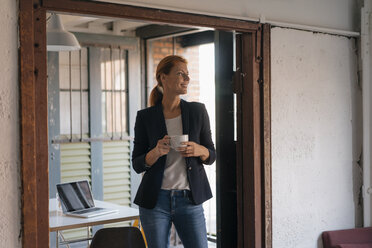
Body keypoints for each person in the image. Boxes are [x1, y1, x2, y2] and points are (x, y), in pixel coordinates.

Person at [132, 55, 216, 248]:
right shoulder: (145, 117)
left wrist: (198, 149)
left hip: (189, 200)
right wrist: (156, 152)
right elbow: (137, 164)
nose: (186, 79)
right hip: (155, 201)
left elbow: (211, 154)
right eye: (180, 74)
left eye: (187, 74)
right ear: (163, 77)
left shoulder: (198, 111)